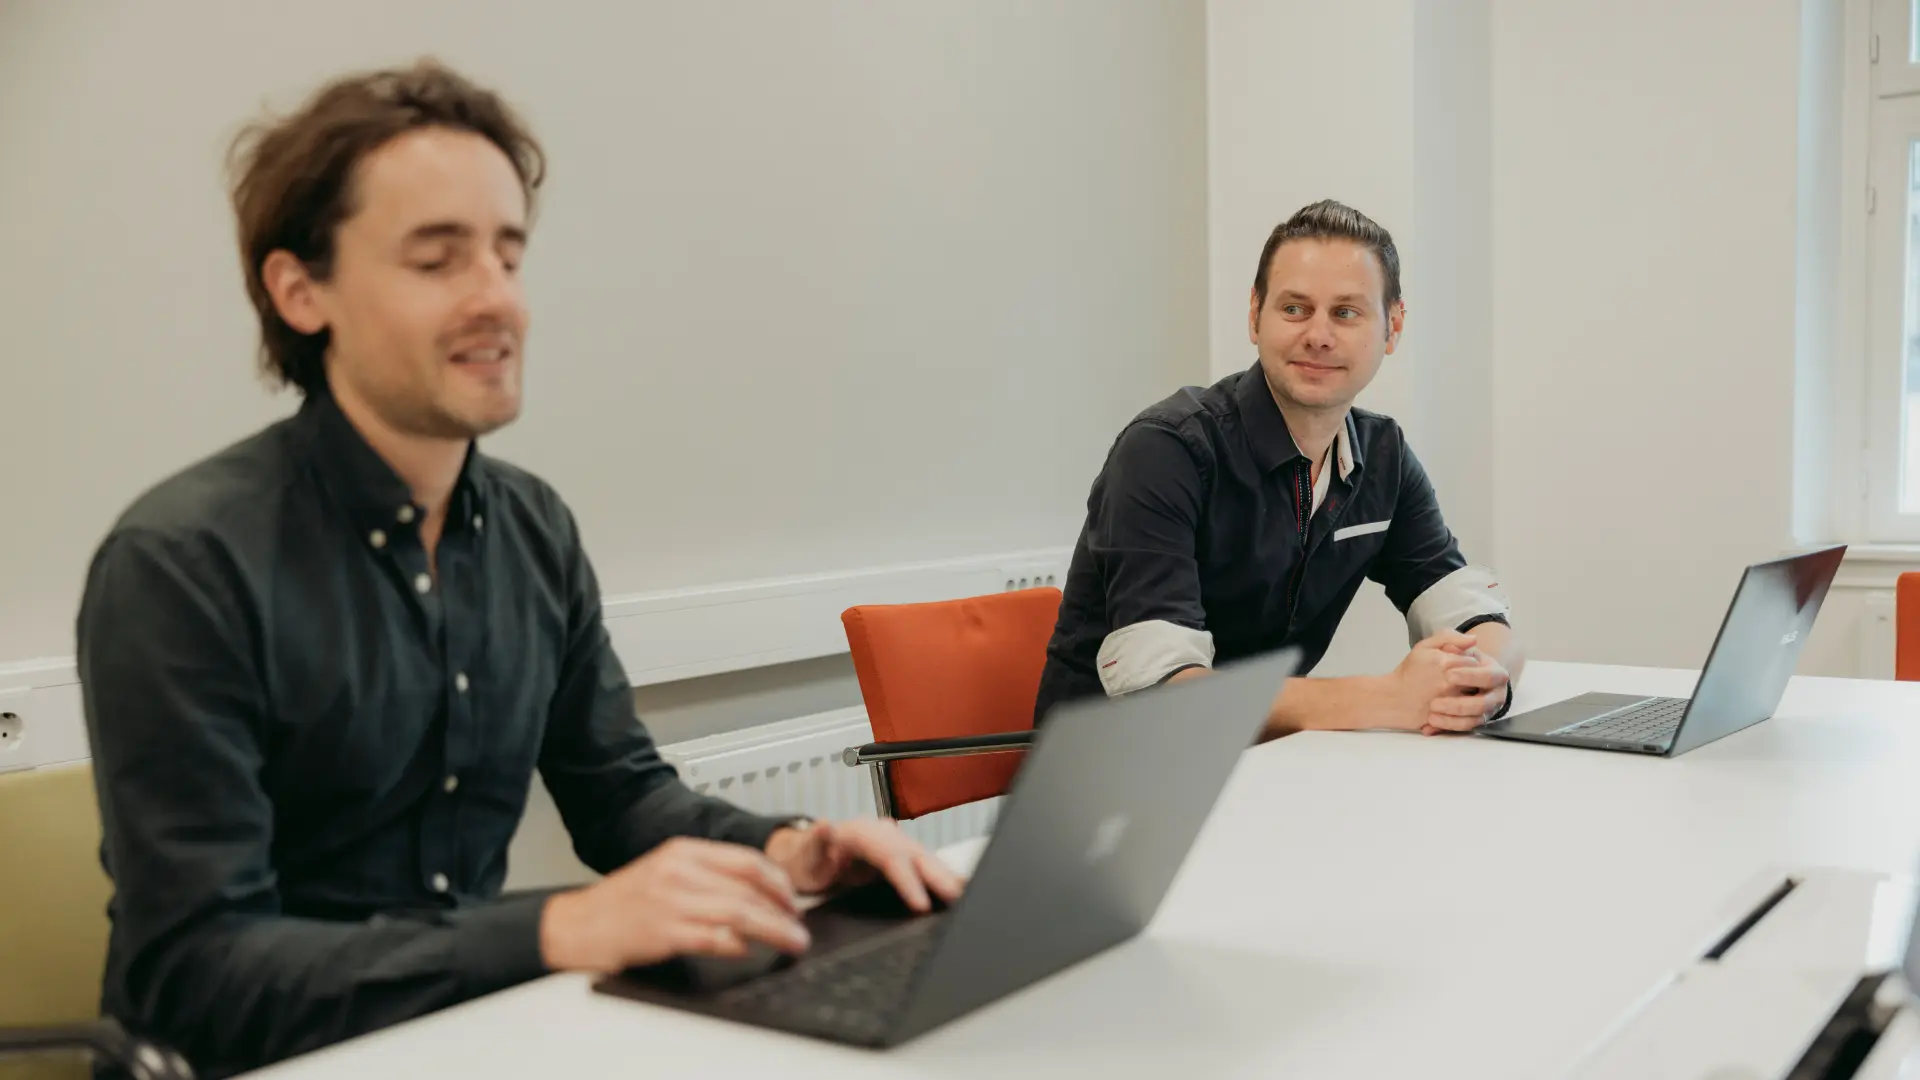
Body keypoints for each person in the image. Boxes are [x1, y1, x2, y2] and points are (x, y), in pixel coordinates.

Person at [74, 59, 961, 1079]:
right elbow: (198, 974)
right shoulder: (181, 565)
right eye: (437, 260)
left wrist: (791, 852)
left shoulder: (533, 528)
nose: (498, 300)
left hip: (467, 1037)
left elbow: (623, 795)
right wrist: (558, 929)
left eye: (508, 255)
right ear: (300, 290)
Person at [1034, 199, 1523, 738]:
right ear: (1255, 315)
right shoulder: (1166, 450)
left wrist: (1485, 680)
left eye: (1346, 313)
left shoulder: (1382, 455)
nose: (1318, 335)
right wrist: (1385, 697)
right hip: (1118, 766)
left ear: (1393, 326)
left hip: (1266, 761)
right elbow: (1162, 690)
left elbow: (1473, 615)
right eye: (1294, 308)